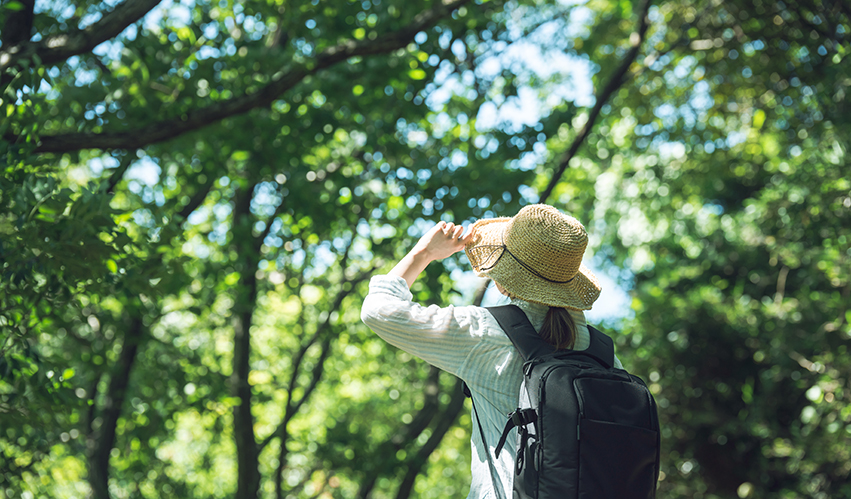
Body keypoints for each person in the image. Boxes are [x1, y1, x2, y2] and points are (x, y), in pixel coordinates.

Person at [360, 203, 622, 499]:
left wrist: (424, 252)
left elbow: (378, 310)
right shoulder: (604, 354)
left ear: (503, 272)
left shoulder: (487, 332)